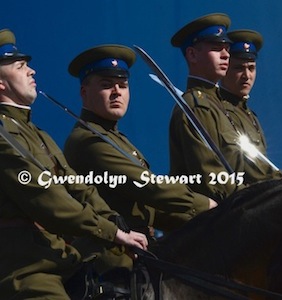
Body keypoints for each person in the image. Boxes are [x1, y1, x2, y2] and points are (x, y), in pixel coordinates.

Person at [0, 29, 147, 300]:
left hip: (64, 258)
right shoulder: (3, 136)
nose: (31, 71)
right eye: (21, 66)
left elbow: (78, 187)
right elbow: (46, 198)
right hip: (28, 269)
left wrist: (113, 220)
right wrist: (111, 232)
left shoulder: (38, 134)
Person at [64, 44, 217, 241]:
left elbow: (151, 209)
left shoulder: (116, 138)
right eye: (106, 84)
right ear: (84, 92)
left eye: (123, 85)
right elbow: (147, 186)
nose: (117, 92)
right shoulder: (87, 141)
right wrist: (204, 205)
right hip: (114, 257)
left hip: (142, 248)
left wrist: (202, 219)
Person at [168, 13, 282, 202]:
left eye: (226, 48)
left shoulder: (221, 106)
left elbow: (252, 168)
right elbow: (212, 179)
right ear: (192, 54)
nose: (225, 55)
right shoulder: (196, 106)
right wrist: (261, 199)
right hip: (218, 221)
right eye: (216, 48)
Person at [220, 29, 282, 179]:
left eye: (251, 68)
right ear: (225, 68)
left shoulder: (250, 116)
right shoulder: (217, 109)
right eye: (239, 68)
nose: (246, 76)